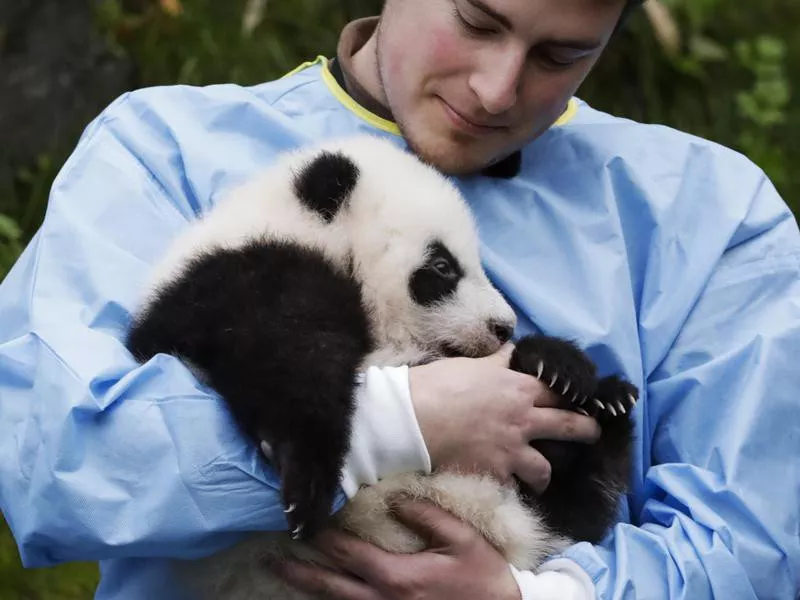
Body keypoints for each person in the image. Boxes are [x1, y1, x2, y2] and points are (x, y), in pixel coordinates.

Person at [0, 0, 798, 598]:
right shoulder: (161, 153)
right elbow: (50, 464)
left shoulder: (708, 215)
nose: (495, 89)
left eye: (560, 54)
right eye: (478, 20)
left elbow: (760, 542)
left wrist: (533, 595)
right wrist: (391, 422)